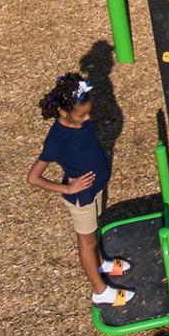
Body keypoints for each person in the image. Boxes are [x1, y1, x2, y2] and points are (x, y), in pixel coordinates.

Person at [27, 73, 133, 307]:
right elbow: (33, 178)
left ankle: (101, 263)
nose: (87, 119)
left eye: (88, 113)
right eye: (82, 115)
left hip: (93, 190)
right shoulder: (56, 140)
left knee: (93, 236)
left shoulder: (79, 122)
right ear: (63, 113)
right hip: (80, 198)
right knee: (86, 243)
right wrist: (67, 186)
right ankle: (100, 291)